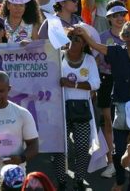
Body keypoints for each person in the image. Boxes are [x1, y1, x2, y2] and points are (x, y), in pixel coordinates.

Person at [76, 21, 130, 190]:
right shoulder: (116, 52)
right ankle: (120, 180)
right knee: (119, 150)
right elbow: (96, 46)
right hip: (120, 107)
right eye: (126, 34)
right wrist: (84, 34)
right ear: (122, 37)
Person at [53, 30, 100, 191]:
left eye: (77, 39)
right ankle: (61, 181)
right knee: (61, 148)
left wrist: (72, 84)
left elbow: (95, 83)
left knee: (82, 147)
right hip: (60, 109)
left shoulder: (89, 60)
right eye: (70, 38)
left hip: (82, 109)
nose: (73, 41)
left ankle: (79, 180)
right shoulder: (58, 56)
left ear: (84, 43)